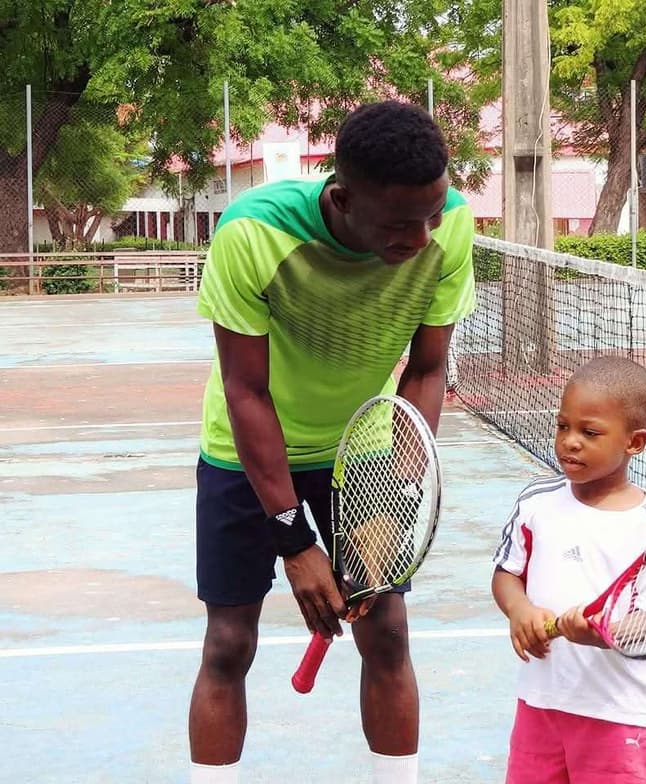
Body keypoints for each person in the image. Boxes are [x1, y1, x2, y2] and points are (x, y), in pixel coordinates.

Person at [188, 100, 476, 784]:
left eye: (432, 214)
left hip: (367, 447)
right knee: (229, 643)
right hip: (246, 451)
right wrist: (294, 541)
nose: (423, 236)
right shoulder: (253, 231)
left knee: (387, 633)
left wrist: (400, 497)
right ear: (342, 198)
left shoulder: (451, 225)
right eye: (401, 225)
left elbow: (428, 371)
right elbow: (245, 393)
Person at [491, 356, 646, 784]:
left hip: (613, 712)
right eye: (562, 426)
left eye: (589, 432)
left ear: (635, 442)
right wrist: (519, 610)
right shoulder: (536, 501)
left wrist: (602, 632)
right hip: (539, 704)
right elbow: (507, 573)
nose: (570, 442)